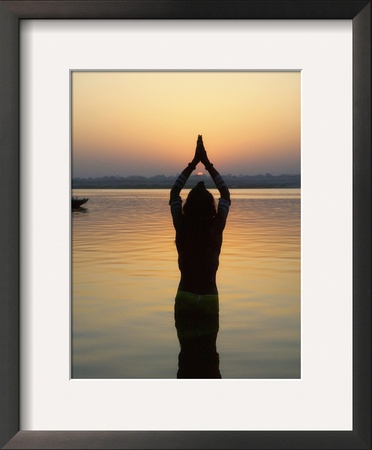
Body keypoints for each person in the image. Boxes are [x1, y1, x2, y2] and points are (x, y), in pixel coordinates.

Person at [169, 135, 231, 318]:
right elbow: (225, 194)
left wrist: (194, 163)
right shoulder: (216, 227)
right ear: (210, 206)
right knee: (209, 344)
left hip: (185, 295)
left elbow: (174, 192)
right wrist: (207, 164)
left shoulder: (182, 226)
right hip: (209, 297)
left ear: (188, 206)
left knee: (185, 345)